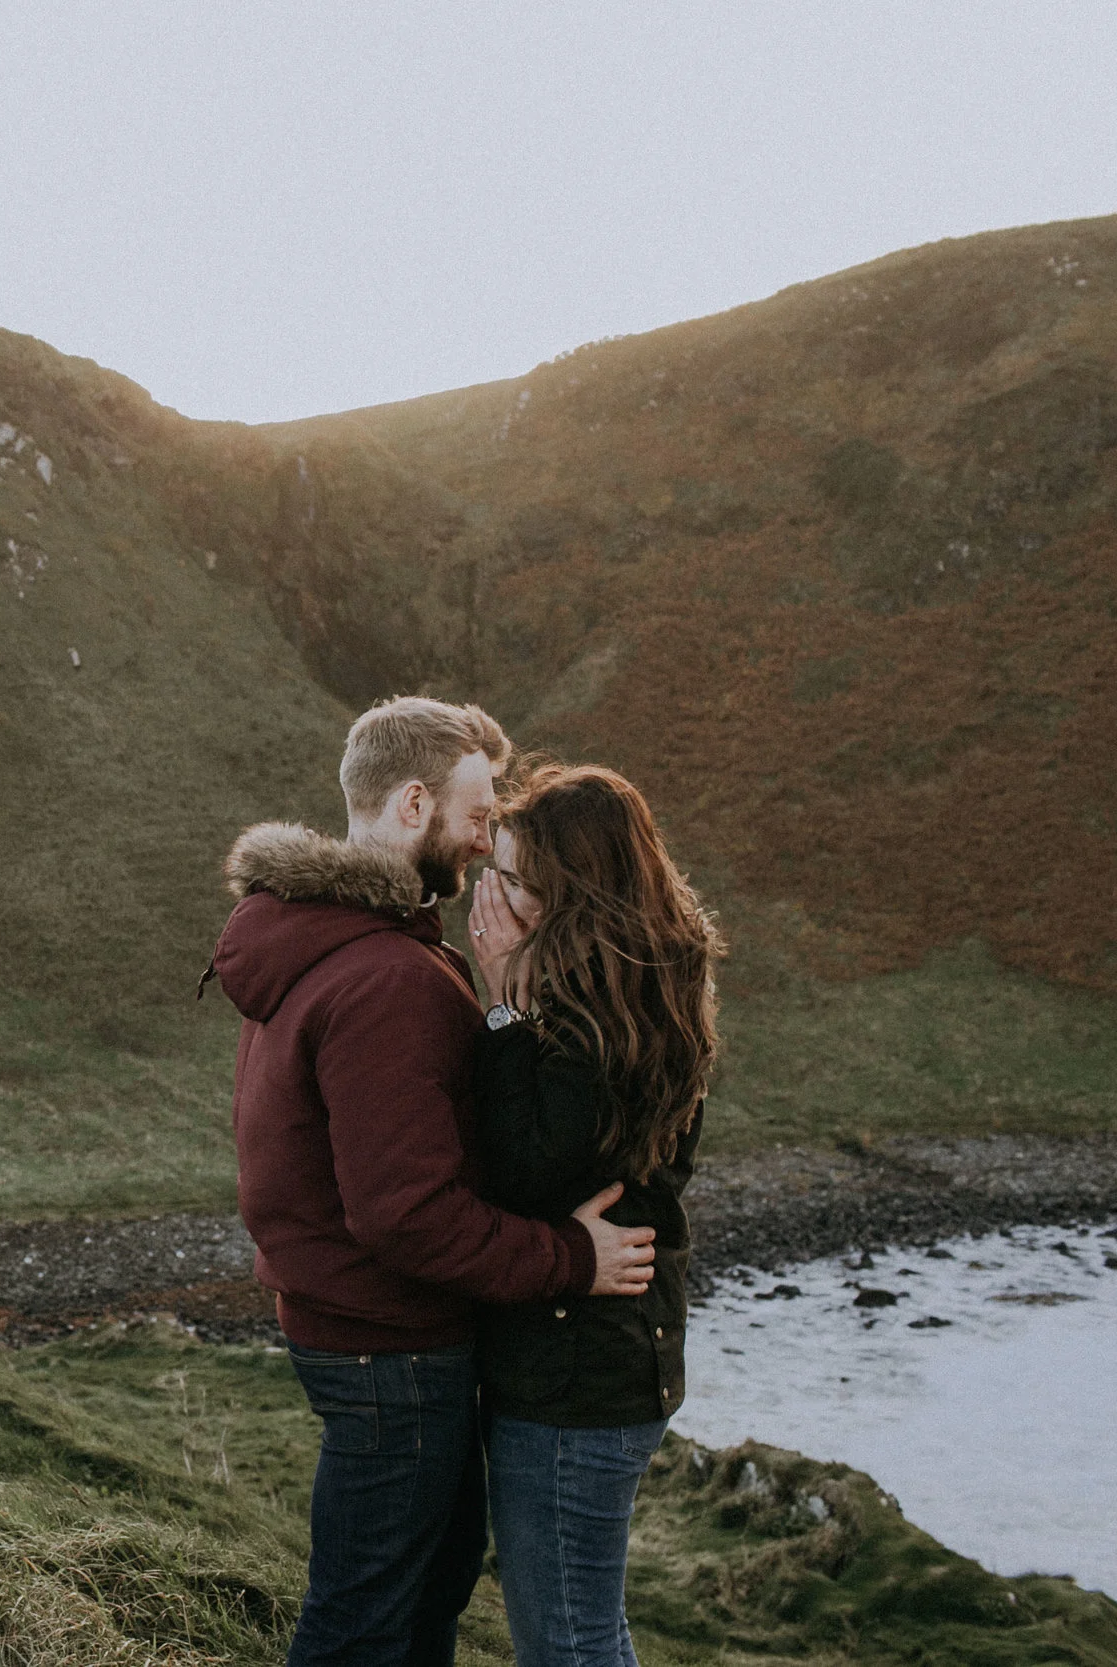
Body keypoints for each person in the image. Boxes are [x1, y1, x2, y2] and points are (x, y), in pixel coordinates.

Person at [209, 696, 658, 1667]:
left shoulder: (309, 933)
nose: (489, 836)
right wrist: (569, 1257)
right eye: (478, 810)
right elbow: (406, 1211)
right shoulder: (387, 976)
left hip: (351, 1328)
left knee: (407, 1604)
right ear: (413, 802)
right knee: (368, 1621)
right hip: (393, 1350)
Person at [465, 764, 724, 1667]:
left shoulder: (583, 1022)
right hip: (617, 1362)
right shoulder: (642, 993)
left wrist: (500, 1001)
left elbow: (518, 1172)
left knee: (564, 1641)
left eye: (508, 880)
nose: (481, 894)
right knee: (588, 1626)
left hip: (576, 1380)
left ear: (574, 897)